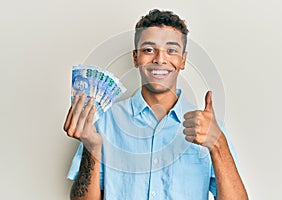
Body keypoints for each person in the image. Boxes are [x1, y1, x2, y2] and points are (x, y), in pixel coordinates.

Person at [63, 9, 248, 200]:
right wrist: (91, 148)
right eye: (149, 50)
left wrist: (218, 144)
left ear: (183, 60)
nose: (160, 59)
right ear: (136, 58)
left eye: (172, 50)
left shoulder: (208, 128)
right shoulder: (106, 122)